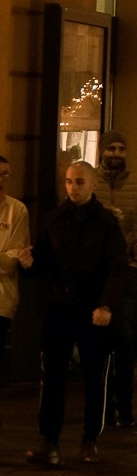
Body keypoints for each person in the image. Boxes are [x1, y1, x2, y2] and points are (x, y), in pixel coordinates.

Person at [22, 161, 128, 466]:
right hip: (60, 307)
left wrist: (106, 304)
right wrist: (29, 264)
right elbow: (45, 263)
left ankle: (89, 439)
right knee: (53, 375)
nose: (73, 187)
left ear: (92, 184)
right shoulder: (55, 219)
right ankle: (50, 441)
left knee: (94, 376)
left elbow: (117, 267)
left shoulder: (106, 222)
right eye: (68, 182)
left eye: (79, 182)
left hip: (93, 307)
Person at [95, 130, 137, 428]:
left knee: (125, 342)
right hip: (96, 276)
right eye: (111, 148)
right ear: (102, 151)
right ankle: (100, 406)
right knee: (98, 343)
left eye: (121, 149)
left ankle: (124, 406)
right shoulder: (90, 183)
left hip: (126, 274)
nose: (116, 154)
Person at [0, 155, 29, 375]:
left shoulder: (17, 210)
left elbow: (13, 258)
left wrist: (8, 257)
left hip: (3, 298)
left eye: (5, 175)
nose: (1, 180)